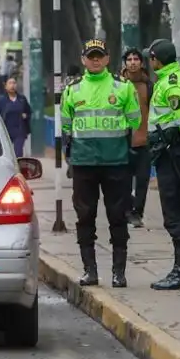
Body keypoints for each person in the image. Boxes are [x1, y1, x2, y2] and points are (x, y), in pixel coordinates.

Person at [59, 40, 141, 288]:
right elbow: (65, 125)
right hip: (84, 164)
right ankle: (90, 271)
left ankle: (119, 273)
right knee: (85, 217)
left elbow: (134, 120)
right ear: (83, 59)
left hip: (116, 162)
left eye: (100, 56)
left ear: (107, 59)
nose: (95, 60)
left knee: (118, 217)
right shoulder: (72, 90)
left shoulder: (123, 87)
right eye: (91, 56)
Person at [146, 38, 180, 290]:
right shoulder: (167, 79)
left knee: (174, 210)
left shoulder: (172, 84)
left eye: (151, 57)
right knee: (173, 209)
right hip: (169, 151)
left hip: (172, 151)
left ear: (156, 59)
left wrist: (174, 140)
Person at [118, 48, 153, 228]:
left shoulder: (149, 85)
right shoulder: (118, 85)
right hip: (122, 140)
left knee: (142, 180)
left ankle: (137, 212)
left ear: (141, 62)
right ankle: (126, 210)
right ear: (125, 63)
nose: (132, 62)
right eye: (129, 59)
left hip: (144, 140)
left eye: (136, 59)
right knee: (122, 180)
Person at [0, 75, 32, 156]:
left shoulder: (22, 99)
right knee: (7, 154)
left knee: (18, 153)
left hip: (20, 130)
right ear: (5, 86)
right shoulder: (1, 100)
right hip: (6, 130)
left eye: (14, 83)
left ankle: (18, 167)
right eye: (10, 83)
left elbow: (29, 112)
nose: (12, 85)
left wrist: (26, 116)